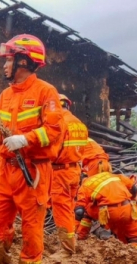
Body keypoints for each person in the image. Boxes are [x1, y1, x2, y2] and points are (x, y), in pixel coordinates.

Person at [0, 34, 64, 264]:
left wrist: (25, 140)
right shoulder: (5, 95)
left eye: (9, 60)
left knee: (31, 223)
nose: (5, 65)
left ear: (24, 62)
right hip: (6, 170)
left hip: (33, 170)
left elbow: (54, 130)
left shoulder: (46, 92)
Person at [51, 94, 88, 255]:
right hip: (75, 171)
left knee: (62, 210)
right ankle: (71, 241)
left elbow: (52, 151)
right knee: (69, 208)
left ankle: (67, 249)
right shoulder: (79, 124)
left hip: (61, 172)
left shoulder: (60, 123)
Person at [75, 171, 137, 247]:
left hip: (110, 213)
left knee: (87, 212)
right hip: (128, 209)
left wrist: (75, 225)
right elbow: (134, 189)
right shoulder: (108, 174)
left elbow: (79, 211)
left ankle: (81, 237)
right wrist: (131, 198)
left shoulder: (84, 186)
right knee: (134, 237)